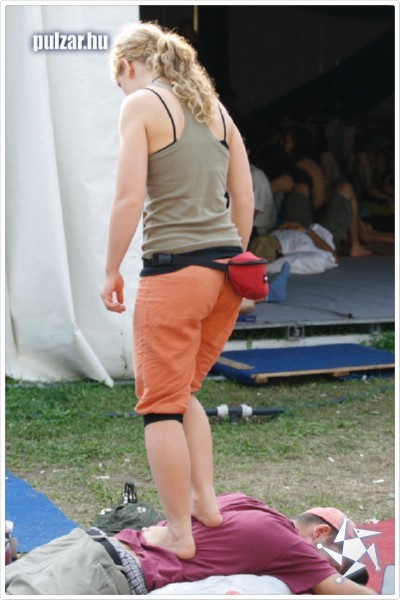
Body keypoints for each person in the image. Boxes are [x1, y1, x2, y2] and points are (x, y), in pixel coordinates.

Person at [100, 21, 254, 560]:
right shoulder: (217, 111)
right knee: (183, 392)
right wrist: (234, 256)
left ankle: (179, 533)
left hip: (175, 273)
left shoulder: (142, 104)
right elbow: (244, 196)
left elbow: (128, 198)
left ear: (128, 66)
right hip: (226, 274)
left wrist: (111, 269)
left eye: (119, 80)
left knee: (161, 409)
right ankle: (205, 505)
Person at [4, 492, 377, 595]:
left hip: (91, 545)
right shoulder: (288, 545)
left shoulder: (244, 502)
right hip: (105, 575)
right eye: (333, 561)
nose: (322, 571)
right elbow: (354, 594)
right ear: (320, 534)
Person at [281, 126, 372, 258]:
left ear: (296, 143)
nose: (283, 143)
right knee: (346, 188)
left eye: (286, 140)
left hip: (311, 228)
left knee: (346, 187)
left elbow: (317, 205)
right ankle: (355, 245)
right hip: (303, 231)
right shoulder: (297, 174)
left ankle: (356, 245)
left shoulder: (305, 166)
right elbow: (318, 205)